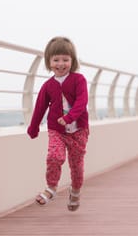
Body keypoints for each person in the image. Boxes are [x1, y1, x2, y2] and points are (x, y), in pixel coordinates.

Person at [27, 36, 90, 212]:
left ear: (72, 61)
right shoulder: (48, 86)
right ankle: (52, 187)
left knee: (76, 166)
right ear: (49, 62)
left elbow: (82, 102)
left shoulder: (79, 80)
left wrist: (69, 117)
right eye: (56, 60)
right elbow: (40, 108)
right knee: (54, 156)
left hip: (79, 130)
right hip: (57, 130)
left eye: (65, 59)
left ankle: (75, 191)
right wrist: (33, 128)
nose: (60, 64)